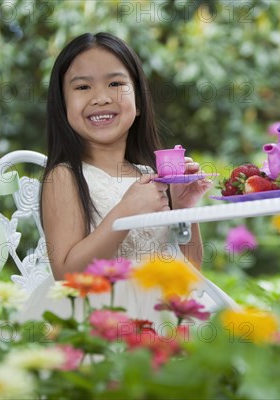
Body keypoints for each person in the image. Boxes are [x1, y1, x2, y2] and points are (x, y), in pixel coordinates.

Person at [33, 32, 235, 324]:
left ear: (138, 102)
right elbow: (68, 276)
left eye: (115, 83)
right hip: (100, 319)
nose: (101, 98)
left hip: (162, 313)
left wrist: (183, 209)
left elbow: (190, 270)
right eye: (82, 86)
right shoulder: (65, 177)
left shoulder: (148, 179)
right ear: (62, 106)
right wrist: (125, 212)